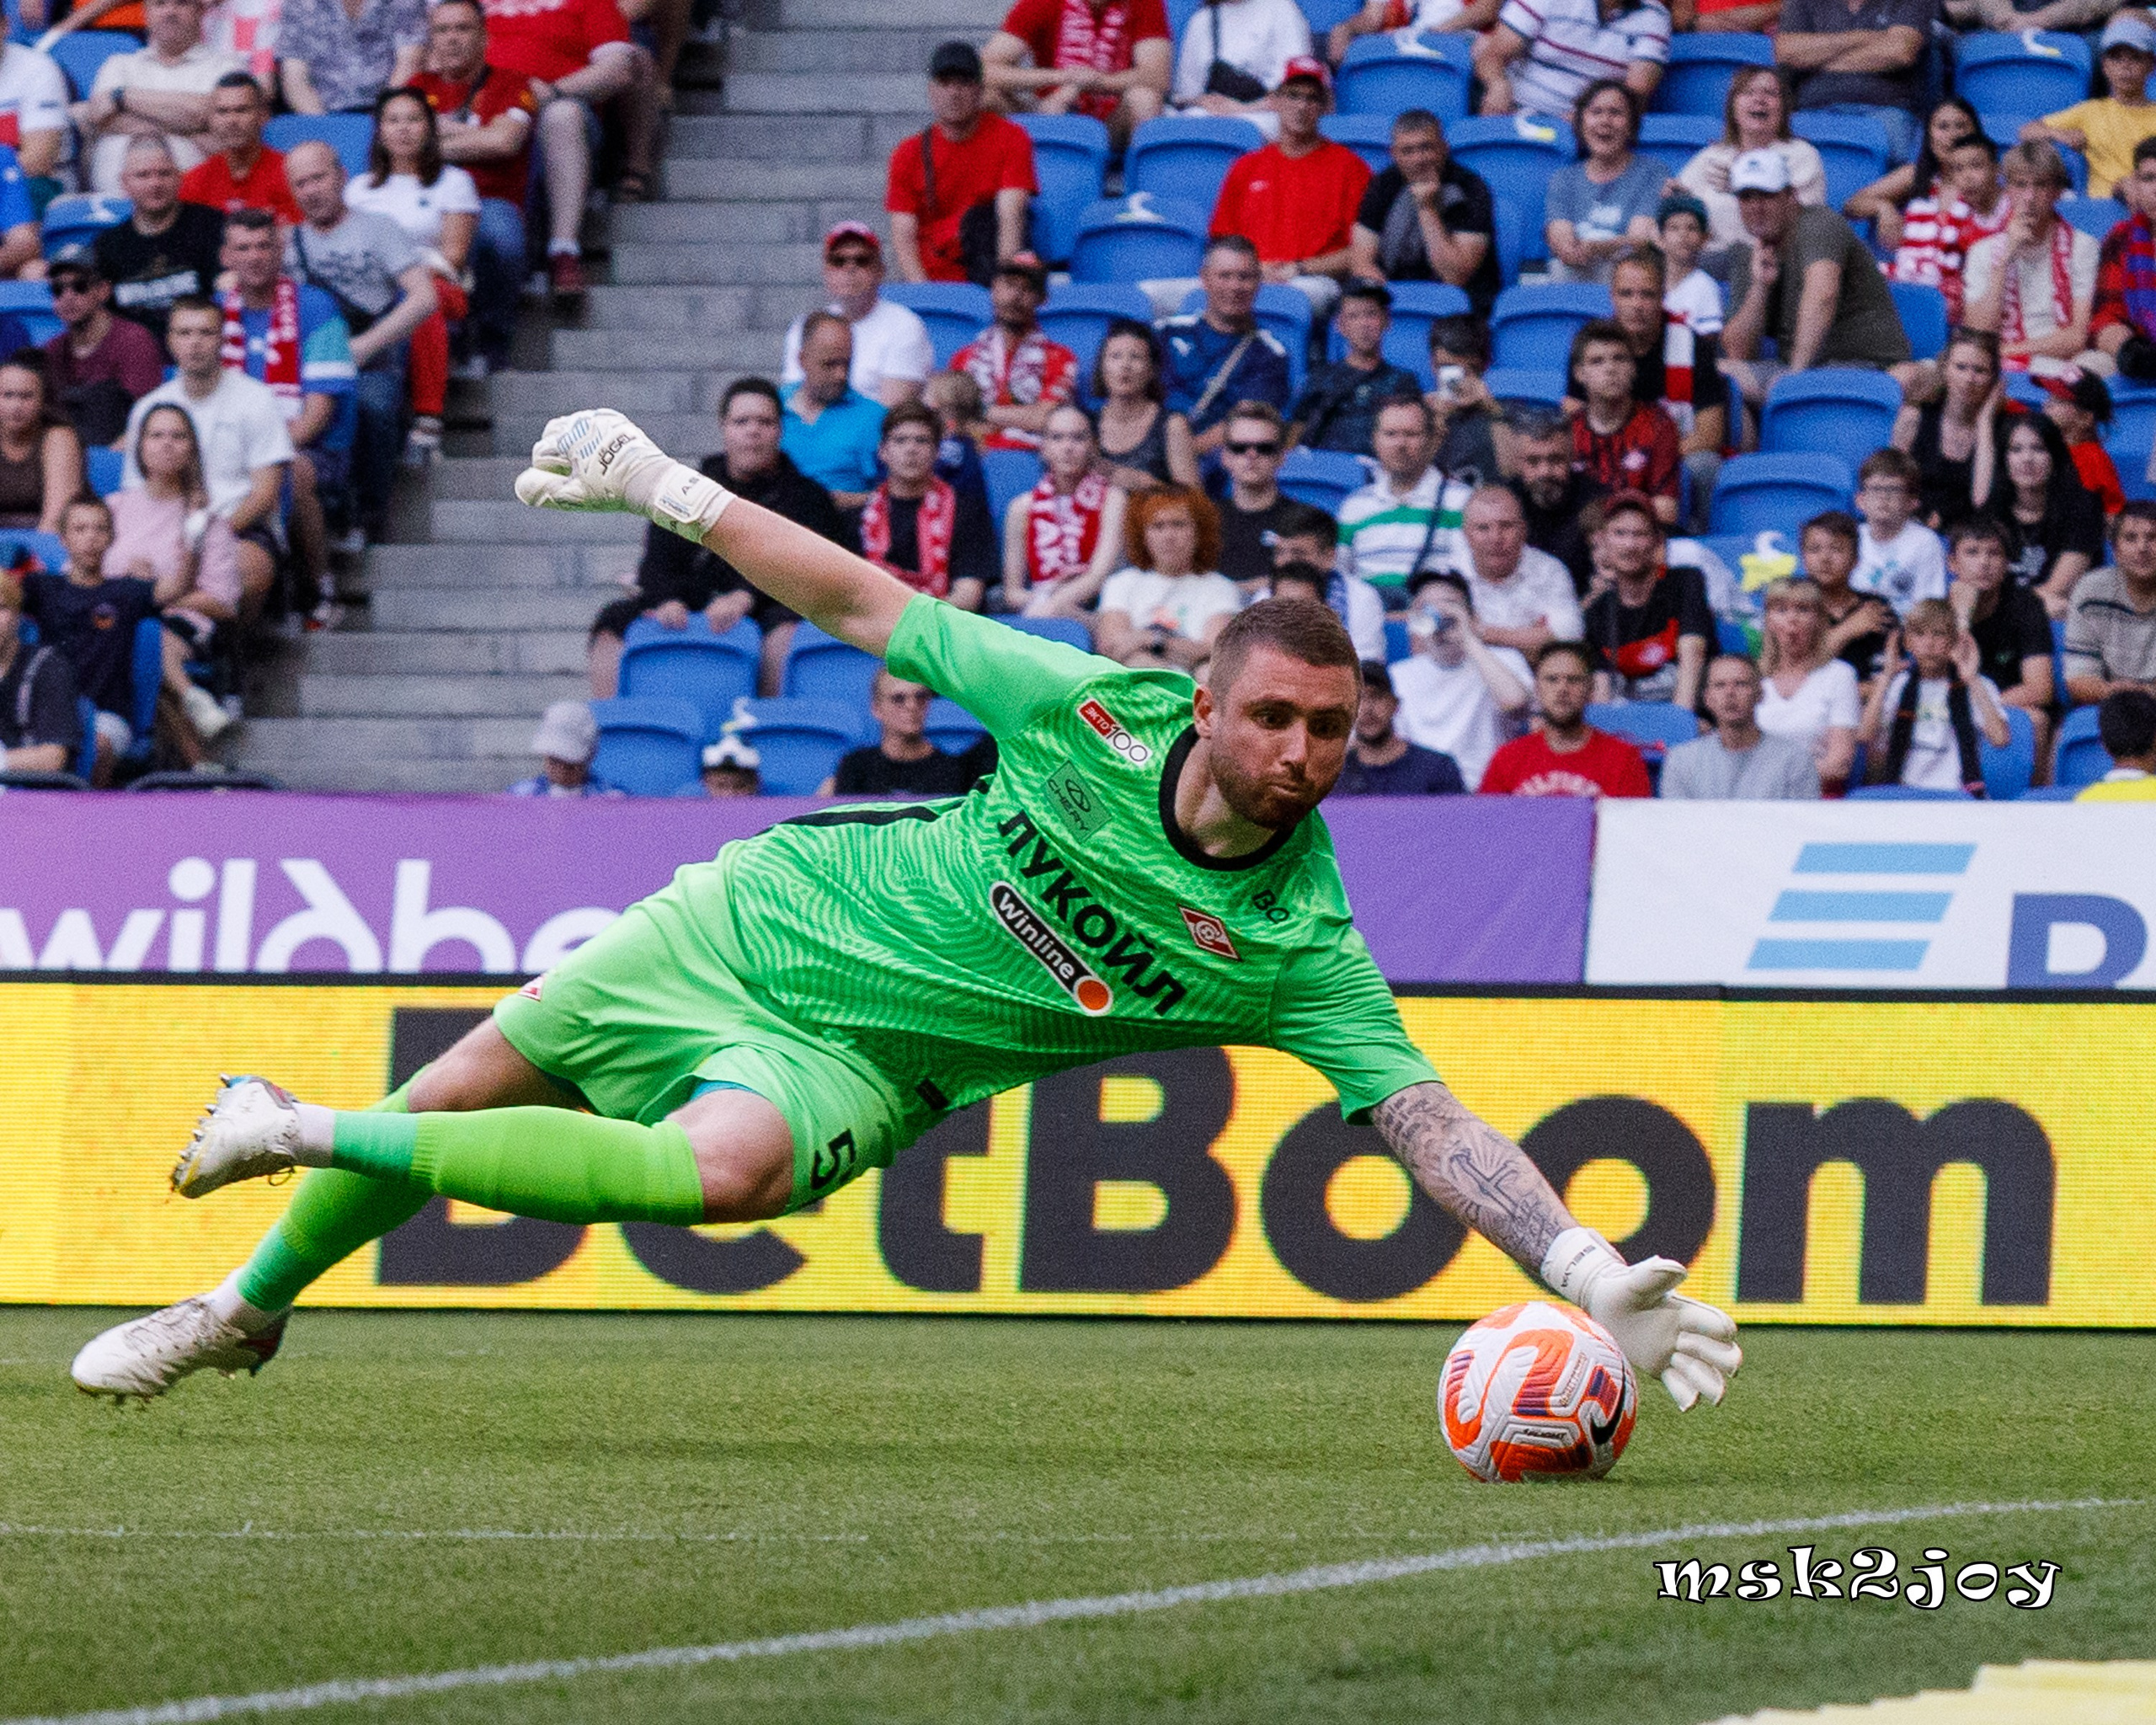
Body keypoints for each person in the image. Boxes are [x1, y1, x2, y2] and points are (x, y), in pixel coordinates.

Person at [73, 406, 1746, 1420]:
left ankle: (289, 1122)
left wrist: (1579, 1262)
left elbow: (1426, 1121)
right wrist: (664, 485)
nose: (1306, 753)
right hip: (754, 920)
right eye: (1275, 720)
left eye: (1330, 727)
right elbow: (866, 600)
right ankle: (241, 1309)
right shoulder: (1092, 704)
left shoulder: (1297, 946)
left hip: (867, 1068)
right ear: (1209, 704)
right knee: (445, 1109)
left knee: (717, 1178)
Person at [595, 379, 849, 699]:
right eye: (741, 421)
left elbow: (818, 571)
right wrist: (667, 599)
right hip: (693, 606)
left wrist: (747, 597)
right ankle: (612, 727)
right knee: (613, 621)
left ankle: (766, 730)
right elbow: (656, 563)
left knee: (786, 631)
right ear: (724, 427)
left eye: (765, 422)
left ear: (781, 430)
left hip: (771, 608)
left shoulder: (808, 498)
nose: (753, 431)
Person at [282, 140, 439, 540]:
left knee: (373, 405)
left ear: (340, 176)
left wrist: (365, 346)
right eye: (301, 184)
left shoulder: (378, 228)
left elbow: (424, 298)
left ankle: (371, 511)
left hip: (371, 351)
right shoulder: (286, 243)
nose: (311, 190)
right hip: (311, 360)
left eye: (318, 178)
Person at [218, 209, 356, 622]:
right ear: (226, 257)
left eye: (264, 246)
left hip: (313, 449)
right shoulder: (213, 314)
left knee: (287, 472)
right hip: (230, 447)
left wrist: (256, 456)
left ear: (280, 252)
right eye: (243, 248)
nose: (255, 257)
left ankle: (320, 587)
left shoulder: (316, 307)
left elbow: (315, 418)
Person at [120, 296, 293, 622]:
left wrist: (208, 538)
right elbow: (136, 492)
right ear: (170, 341)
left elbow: (265, 494)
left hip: (237, 527)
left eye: (205, 333)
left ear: (223, 339)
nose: (195, 343)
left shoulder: (256, 399)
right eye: (184, 333)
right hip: (161, 528)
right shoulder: (148, 407)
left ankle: (231, 657)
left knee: (244, 568)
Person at [1720, 149, 1920, 414]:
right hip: (1801, 372)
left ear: (1791, 196)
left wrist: (1795, 379)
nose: (1756, 207)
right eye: (1746, 197)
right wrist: (1760, 286)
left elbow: (1822, 294)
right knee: (1715, 376)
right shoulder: (1752, 251)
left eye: (1767, 195)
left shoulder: (1818, 223)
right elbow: (1738, 351)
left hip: (1865, 367)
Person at [344, 85, 481, 466]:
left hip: (441, 286)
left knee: (420, 299)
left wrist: (403, 273)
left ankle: (427, 417)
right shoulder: (359, 189)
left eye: (413, 119)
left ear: (429, 128)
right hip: (373, 288)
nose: (403, 129)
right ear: (380, 131)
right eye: (393, 120)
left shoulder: (453, 182)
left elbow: (453, 255)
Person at [485, 0, 661, 277]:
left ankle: (563, 251)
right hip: (485, 110)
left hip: (556, 109)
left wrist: (551, 93)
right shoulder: (474, 6)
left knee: (563, 115)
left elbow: (618, 67)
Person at [412, 0, 541, 374]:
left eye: (462, 29)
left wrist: (435, 137)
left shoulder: (512, 84)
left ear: (484, 36)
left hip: (490, 203)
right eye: (442, 30)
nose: (451, 39)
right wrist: (479, 135)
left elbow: (505, 143)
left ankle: (492, 335)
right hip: (423, 201)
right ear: (431, 39)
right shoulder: (416, 88)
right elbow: (399, 148)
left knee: (503, 236)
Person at [109, 400, 244, 744]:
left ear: (192, 449)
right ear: (140, 446)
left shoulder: (206, 520)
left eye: (178, 436)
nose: (167, 443)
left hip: (179, 622)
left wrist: (157, 590)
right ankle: (194, 711)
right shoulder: (114, 507)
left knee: (147, 643)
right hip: (111, 617)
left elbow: (223, 603)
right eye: (156, 435)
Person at [1207, 57, 1369, 319]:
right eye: (1293, 95)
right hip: (1245, 277)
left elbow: (1361, 252)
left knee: (1288, 300)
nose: (1302, 106)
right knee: (1156, 297)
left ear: (1325, 105)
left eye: (1312, 98)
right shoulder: (1246, 166)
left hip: (1311, 280)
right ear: (1275, 100)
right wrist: (1253, 270)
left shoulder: (1350, 168)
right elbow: (1223, 241)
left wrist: (1298, 269)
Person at [20, 494, 161, 774]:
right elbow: (5, 596)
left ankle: (87, 815)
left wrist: (193, 538)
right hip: (50, 712)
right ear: (62, 538)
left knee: (95, 747)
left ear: (112, 537)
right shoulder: (42, 587)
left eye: (100, 529)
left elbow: (176, 589)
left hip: (107, 716)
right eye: (80, 529)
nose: (91, 537)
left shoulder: (127, 592)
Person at [887, 41, 1038, 286]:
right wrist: (927, 295)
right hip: (932, 280)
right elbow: (904, 237)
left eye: (964, 83)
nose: (954, 93)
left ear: (980, 89)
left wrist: (1001, 289)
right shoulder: (908, 153)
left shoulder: (1012, 138)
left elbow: (1011, 217)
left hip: (988, 276)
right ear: (931, 90)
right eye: (945, 83)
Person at [1963, 141, 2103, 383]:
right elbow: (1979, 330)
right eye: (2020, 185)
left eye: (2040, 185)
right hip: (1999, 363)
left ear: (2057, 191)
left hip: (2059, 358)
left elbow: (2076, 337)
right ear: (2007, 190)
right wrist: (2005, 258)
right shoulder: (1982, 252)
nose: (2029, 197)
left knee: (2090, 368)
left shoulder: (2083, 246)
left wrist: (2006, 352)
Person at [1606, 246, 1725, 529]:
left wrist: (1651, 458)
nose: (1637, 304)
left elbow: (1710, 433)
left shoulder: (1692, 344)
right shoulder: (1595, 344)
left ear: (1663, 297)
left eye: (1647, 294)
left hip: (1676, 448)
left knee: (1706, 465)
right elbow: (1575, 417)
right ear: (1612, 297)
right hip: (1609, 450)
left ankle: (1701, 543)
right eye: (1626, 294)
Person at [74, 0, 238, 195]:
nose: (170, 12)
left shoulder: (227, 68)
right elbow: (101, 116)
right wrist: (189, 128)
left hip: (193, 204)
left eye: (181, 4)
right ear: (146, 13)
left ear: (200, 11)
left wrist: (123, 97)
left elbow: (204, 112)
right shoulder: (119, 64)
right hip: (108, 208)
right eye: (160, 4)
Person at [1346, 109, 1499, 318]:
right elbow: (1361, 259)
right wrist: (1383, 292)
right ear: (1394, 154)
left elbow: (1454, 276)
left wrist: (1427, 208)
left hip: (1460, 309)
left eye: (1426, 148)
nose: (1418, 159)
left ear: (1444, 148)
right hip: (1391, 298)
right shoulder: (1383, 184)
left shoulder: (1472, 188)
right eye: (1407, 151)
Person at [1389, 572, 1529, 787]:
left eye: (1450, 605)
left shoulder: (1503, 660)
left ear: (1472, 616)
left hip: (1484, 789)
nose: (1439, 614)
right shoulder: (1399, 675)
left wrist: (1468, 637)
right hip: (1422, 793)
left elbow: (1516, 704)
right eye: (1427, 607)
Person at [1158, 238, 1293, 460]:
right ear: (1204, 278)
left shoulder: (1270, 355)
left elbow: (1244, 423)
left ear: (1259, 281)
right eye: (1225, 276)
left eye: (1244, 277)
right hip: (1150, 450)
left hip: (1212, 463)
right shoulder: (1165, 333)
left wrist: (1178, 457)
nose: (1235, 287)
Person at [1858, 597, 2011, 793]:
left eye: (1939, 635)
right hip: (1905, 793)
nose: (1929, 644)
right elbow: (1864, 736)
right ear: (1908, 642)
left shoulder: (1977, 685)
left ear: (1953, 640)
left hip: (1957, 795)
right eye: (1920, 634)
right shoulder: (1899, 685)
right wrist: (1887, 677)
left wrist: (1972, 679)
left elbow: (2000, 739)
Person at [859, 402, 999, 612]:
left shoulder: (968, 511)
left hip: (947, 630)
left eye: (921, 441)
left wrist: (909, 618)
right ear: (883, 452)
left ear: (937, 452)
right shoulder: (860, 516)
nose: (911, 449)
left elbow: (968, 597)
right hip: (874, 632)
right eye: (900, 440)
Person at [781, 225, 936, 411]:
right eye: (838, 261)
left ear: (880, 270)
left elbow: (891, 415)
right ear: (826, 272)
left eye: (862, 260)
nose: (850, 268)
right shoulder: (804, 326)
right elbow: (792, 398)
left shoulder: (905, 326)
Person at [1673, 66, 1827, 252]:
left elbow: (1803, 224)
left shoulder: (1801, 155)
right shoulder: (1712, 155)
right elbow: (1680, 209)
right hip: (1710, 257)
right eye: (1748, 92)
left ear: (1784, 108)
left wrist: (1741, 185)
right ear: (1733, 108)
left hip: (1776, 258)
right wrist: (1674, 200)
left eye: (1770, 94)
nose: (1759, 100)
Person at [1582, 490, 1710, 707]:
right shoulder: (1596, 613)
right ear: (1603, 540)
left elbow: (1692, 654)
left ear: (1658, 541)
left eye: (1640, 534)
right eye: (1620, 533)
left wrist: (1680, 725)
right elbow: (1601, 697)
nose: (1629, 545)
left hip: (1685, 721)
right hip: (1624, 731)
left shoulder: (1686, 581)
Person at [1337, 396, 1472, 598]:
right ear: (1375, 440)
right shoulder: (1354, 506)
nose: (1400, 444)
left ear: (1431, 441)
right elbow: (1340, 579)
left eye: (1411, 434)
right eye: (1390, 434)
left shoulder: (1462, 501)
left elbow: (1467, 576)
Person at [97, 138, 228, 345]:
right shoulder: (107, 246)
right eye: (143, 175)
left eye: (164, 173)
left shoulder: (213, 226)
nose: (154, 183)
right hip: (136, 361)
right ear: (124, 183)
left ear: (179, 177)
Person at [979, 0, 1171, 143]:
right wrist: (1062, 78)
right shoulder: (1042, 2)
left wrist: (1094, 81)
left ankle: (1142, 190)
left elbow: (1157, 76)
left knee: (1145, 98)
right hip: (1045, 112)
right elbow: (983, 71)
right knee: (982, 96)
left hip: (1112, 121)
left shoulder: (1145, 3)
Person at [1094, 484, 1242, 668]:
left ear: (1199, 532)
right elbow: (1112, 648)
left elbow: (1215, 651)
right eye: (1157, 526)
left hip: (1195, 684)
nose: (1168, 536)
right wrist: (1175, 657)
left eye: (1178, 524)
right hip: (1139, 682)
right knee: (1136, 662)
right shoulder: (1121, 583)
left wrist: (1150, 639)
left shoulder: (1220, 587)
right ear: (1142, 534)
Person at [1480, 638, 1652, 795]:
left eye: (1573, 680)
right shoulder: (1507, 759)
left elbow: (1634, 827)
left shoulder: (1624, 759)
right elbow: (1485, 825)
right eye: (1552, 679)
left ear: (1590, 689)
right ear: (1537, 690)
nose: (1562, 689)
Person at [1946, 517, 2055, 764]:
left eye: (1994, 554)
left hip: (2006, 706)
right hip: (1948, 707)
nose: (1984, 563)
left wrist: (1983, 707)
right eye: (1972, 553)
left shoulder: (2026, 605)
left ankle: (2027, 802)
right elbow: (1934, 678)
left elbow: (2040, 689)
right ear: (1952, 563)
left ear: (2007, 563)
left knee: (2034, 720)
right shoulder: (1939, 608)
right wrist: (1962, 617)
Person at [1773, 0, 1932, 168]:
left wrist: (1816, 60)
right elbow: (1786, 52)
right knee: (1783, 160)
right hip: (1813, 109)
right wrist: (1862, 37)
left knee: (1902, 165)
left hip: (1884, 109)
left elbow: (1900, 53)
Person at [1002, 401, 1125, 617]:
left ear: (1094, 446)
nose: (1067, 447)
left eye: (1078, 438)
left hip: (1097, 610)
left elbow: (1099, 576)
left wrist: (1053, 604)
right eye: (1057, 438)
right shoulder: (1021, 507)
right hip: (1039, 608)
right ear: (1044, 447)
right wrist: (1045, 599)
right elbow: (1012, 593)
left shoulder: (1113, 499)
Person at [1980, 411, 2106, 618]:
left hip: (2063, 617)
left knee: (2055, 606)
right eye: (2016, 450)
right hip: (2010, 614)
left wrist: (1996, 606)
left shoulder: (2083, 506)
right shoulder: (1994, 509)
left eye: (2038, 449)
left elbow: (2057, 589)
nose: (2027, 459)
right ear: (2004, 459)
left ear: (2055, 457)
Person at [40, 247, 167, 450]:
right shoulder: (53, 349)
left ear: (103, 291)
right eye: (58, 289)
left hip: (120, 456)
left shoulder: (133, 340)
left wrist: (108, 459)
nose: (68, 296)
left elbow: (150, 415)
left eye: (80, 286)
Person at [951, 254, 1077, 452]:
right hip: (974, 459)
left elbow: (1047, 418)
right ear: (993, 289)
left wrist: (980, 411)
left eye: (1027, 288)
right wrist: (1020, 417)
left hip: (1032, 460)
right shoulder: (964, 358)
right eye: (1009, 285)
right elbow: (952, 420)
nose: (1016, 296)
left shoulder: (1060, 358)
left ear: (1042, 299)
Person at [2025, 15, 2156, 203]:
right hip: (2102, 207)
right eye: (2116, 59)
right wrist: (2060, 135)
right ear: (2104, 66)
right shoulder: (2091, 112)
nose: (2125, 67)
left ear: (2151, 65)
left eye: (2135, 58)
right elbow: (2028, 131)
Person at [1544, 80, 1662, 286]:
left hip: (1627, 281)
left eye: (1616, 113)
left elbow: (1640, 241)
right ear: (1581, 123)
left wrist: (1597, 248)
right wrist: (1569, 249)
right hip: (1572, 274)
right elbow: (1559, 234)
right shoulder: (1564, 178)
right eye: (1596, 112)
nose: (1605, 121)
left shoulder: (1652, 173)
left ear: (1632, 126)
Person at [1474, 0, 1668, 125]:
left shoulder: (1654, 17)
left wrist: (1578, 121)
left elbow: (1634, 96)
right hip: (1515, 113)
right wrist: (1497, 84)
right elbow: (1492, 56)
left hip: (1590, 131)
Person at [1566, 318, 1678, 527]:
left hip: (1636, 541)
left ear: (1633, 368)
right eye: (1597, 361)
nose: (1610, 369)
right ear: (1579, 374)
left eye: (1620, 359)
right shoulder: (1567, 431)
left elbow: (1666, 510)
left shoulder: (1659, 424)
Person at [1891, 325, 2004, 531]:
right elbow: (1893, 486)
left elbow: (1983, 502)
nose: (1969, 379)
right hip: (1914, 529)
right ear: (1944, 369)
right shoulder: (1914, 418)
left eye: (1980, 370)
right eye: (1960, 367)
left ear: (1994, 380)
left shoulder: (2002, 429)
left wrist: (1985, 421)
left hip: (1973, 539)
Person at [1448, 484, 1583, 655]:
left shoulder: (1549, 570)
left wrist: (1481, 632)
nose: (1495, 538)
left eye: (1506, 526)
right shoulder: (1448, 573)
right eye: (1483, 528)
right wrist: (1534, 637)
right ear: (1466, 534)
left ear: (1523, 530)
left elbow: (1569, 635)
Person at [1660, 654, 1820, 798]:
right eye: (1720, 685)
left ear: (1760, 694)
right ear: (1707, 698)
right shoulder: (1681, 761)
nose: (1730, 693)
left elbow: (1802, 825)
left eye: (1741, 684)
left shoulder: (1795, 760)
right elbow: (1678, 825)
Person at [1889, 131, 2007, 326]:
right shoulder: (1963, 223)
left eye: (1976, 166)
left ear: (1997, 170)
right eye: (1958, 170)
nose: (1967, 177)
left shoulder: (2014, 212)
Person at [1753, 575, 1859, 790]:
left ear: (1819, 620)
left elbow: (1839, 765)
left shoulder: (1839, 675)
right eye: (1781, 610)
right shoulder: (1752, 677)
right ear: (1769, 621)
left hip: (1817, 800)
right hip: (1756, 800)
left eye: (1803, 610)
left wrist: (1771, 773)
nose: (1792, 618)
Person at [1289, 282, 1417, 457]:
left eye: (1371, 314)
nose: (1364, 324)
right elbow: (1295, 436)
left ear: (1387, 320)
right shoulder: (1320, 378)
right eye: (1353, 316)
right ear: (1341, 325)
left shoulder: (1403, 381)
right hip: (1326, 470)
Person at [1843, 95, 1980, 256]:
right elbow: (1852, 205)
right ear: (1929, 136)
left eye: (1961, 126)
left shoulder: (1988, 180)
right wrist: (1882, 207)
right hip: (1911, 274)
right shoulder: (1916, 174)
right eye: (1943, 127)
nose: (1952, 136)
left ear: (1976, 133)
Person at [781, 313, 887, 510]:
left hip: (843, 527)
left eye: (846, 364)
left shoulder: (875, 417)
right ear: (802, 359)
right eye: (829, 364)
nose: (841, 375)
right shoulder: (771, 410)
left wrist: (854, 501)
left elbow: (900, 495)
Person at [823, 670, 986, 795]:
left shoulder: (953, 769)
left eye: (920, 696)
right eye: (898, 698)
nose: (911, 706)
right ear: (876, 708)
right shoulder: (856, 767)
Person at [1166, 0, 1310, 135]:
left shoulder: (1281, 9)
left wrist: (1242, 108)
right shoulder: (1201, 20)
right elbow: (1186, 94)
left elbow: (1299, 87)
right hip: (1211, 115)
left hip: (1266, 114)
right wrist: (1204, 101)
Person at [2063, 501, 2156, 706]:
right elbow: (2077, 679)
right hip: (2111, 704)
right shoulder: (2091, 591)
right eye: (2131, 538)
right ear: (2115, 551)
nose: (2142, 548)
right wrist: (2112, 691)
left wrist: (2142, 693)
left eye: (2153, 538)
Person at [1271, 502, 1386, 661]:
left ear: (1329, 557)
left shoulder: (1361, 598)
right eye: (1279, 552)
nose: (1285, 562)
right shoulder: (1263, 596)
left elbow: (1366, 668)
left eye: (1298, 554)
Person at [177, 71, 297, 221]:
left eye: (242, 110)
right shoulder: (194, 183)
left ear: (263, 115)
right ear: (211, 119)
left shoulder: (293, 176)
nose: (232, 120)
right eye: (223, 112)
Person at [1335, 658, 1466, 795]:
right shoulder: (1331, 777)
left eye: (1376, 696)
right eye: (1357, 699)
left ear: (1395, 705)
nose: (1366, 708)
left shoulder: (1438, 769)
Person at [1091, 319, 1196, 489]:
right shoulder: (1085, 424)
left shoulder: (1172, 425)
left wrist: (1145, 484)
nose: (1125, 366)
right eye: (1115, 356)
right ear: (1101, 366)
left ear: (1152, 370)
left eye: (1136, 357)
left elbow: (1195, 503)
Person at [1510, 408, 1604, 593]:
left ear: (1572, 457)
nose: (1545, 471)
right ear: (1519, 462)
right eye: (1533, 461)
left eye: (1555, 460)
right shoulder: (1504, 502)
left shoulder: (1597, 502)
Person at [277, 0, 424, 116]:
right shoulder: (300, 3)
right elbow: (294, 76)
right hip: (321, 113)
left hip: (387, 112)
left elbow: (409, 62)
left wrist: (382, 118)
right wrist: (326, 126)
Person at [1801, 508, 1894, 687]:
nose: (1825, 558)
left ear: (1856, 559)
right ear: (1803, 557)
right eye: (1814, 549)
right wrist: (1849, 628)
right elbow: (1793, 674)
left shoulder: (1876, 608)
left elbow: (1886, 678)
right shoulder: (1790, 606)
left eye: (1836, 549)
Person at [0, 565, 80, 776]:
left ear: (18, 615)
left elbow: (54, 758)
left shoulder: (50, 667)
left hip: (30, 798)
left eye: (1, 608)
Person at [1852, 447, 1947, 618]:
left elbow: (1929, 608)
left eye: (1894, 490)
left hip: (1905, 631)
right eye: (1875, 489)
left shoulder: (1925, 542)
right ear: (1860, 500)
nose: (1883, 498)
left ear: (1913, 502)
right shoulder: (1850, 537)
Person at [1213, 400, 1298, 585]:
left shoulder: (1304, 522)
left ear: (1281, 457)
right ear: (1225, 457)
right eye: (1239, 448)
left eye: (1265, 448)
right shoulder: (1203, 521)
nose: (1251, 455)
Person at [2091, 137, 2156, 378]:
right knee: (2084, 372)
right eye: (2148, 179)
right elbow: (2105, 316)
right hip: (2138, 350)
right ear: (2136, 185)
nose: (2155, 189)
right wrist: (2130, 351)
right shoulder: (2122, 236)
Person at [0, 356, 83, 537]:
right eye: (7, 395)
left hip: (43, 550)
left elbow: (55, 520)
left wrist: (24, 562)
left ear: (42, 401)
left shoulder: (59, 438)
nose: (16, 406)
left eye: (26, 396)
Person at [1424, 314, 1505, 483]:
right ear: (1433, 364)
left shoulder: (1503, 412)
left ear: (1484, 366)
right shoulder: (1418, 414)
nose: (1456, 381)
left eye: (1465, 371)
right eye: (1447, 368)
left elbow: (1512, 474)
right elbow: (1411, 477)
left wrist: (1492, 409)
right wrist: (1438, 420)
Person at [2041, 367, 2125, 517]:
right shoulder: (2050, 450)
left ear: (2085, 419)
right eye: (2049, 398)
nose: (2046, 405)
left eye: (2059, 400)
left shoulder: (2091, 460)